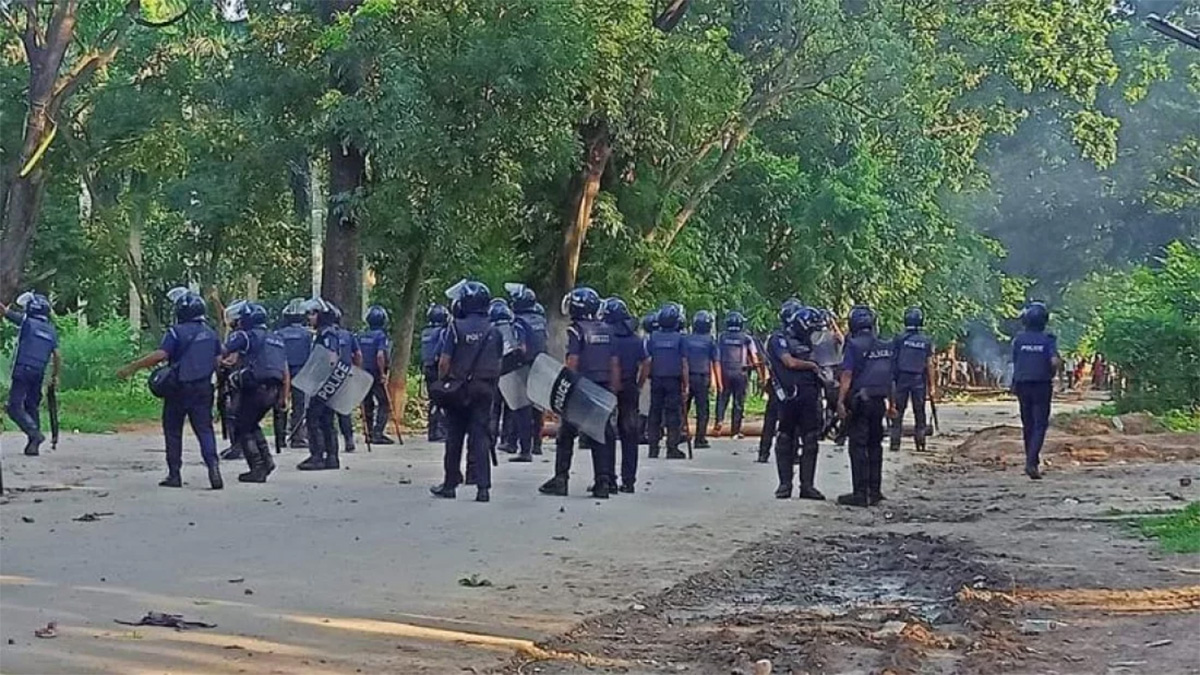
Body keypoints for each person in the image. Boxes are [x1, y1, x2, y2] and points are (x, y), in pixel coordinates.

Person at [118, 288, 223, 489]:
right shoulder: (210, 333)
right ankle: (213, 468)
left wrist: (133, 367)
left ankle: (174, 474)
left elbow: (161, 355)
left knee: (173, 430)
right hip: (203, 388)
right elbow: (218, 361)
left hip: (178, 389)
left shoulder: (175, 332)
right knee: (205, 430)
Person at [539, 286, 620, 497]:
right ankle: (603, 481)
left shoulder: (576, 330)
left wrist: (566, 388)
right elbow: (613, 362)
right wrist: (612, 388)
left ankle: (561, 479)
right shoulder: (607, 330)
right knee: (599, 435)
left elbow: (573, 361)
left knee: (566, 434)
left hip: (581, 388)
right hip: (601, 387)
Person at [431, 281, 503, 502]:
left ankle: (450, 484)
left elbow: (444, 362)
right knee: (480, 437)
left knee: (454, 437)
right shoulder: (494, 330)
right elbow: (500, 362)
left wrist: (444, 382)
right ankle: (483, 488)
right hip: (485, 389)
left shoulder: (455, 327)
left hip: (459, 389)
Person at [836, 305, 895, 507]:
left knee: (858, 446)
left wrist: (840, 401)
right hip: (879, 401)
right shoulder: (885, 345)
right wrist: (892, 404)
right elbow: (890, 378)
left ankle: (860, 494)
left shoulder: (853, 345)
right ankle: (875, 491)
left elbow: (847, 375)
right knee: (875, 445)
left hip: (861, 402)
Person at [222, 302, 287, 482]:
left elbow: (223, 350)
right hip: (274, 390)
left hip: (255, 388)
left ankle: (258, 467)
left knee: (242, 425)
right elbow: (285, 371)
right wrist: (283, 397)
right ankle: (266, 460)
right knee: (251, 424)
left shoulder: (246, 335)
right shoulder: (276, 338)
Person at [766, 305, 825, 499]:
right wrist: (812, 366)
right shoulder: (779, 339)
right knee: (785, 437)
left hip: (809, 396)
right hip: (788, 396)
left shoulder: (810, 343)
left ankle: (807, 485)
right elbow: (788, 362)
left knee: (810, 439)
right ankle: (785, 484)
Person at [3, 292, 61, 456]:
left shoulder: (27, 322)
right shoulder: (51, 331)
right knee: (31, 405)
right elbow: (57, 355)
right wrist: (55, 376)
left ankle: (34, 434)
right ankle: (32, 445)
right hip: (39, 373)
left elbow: (5, 312)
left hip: (22, 370)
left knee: (14, 407)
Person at [1011, 301, 1061, 480]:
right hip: (1041, 384)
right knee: (1040, 423)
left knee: (1028, 424)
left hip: (1022, 384)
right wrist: (1052, 374)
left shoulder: (1019, 340)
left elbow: (1015, 362)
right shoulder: (1048, 339)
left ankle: (1030, 459)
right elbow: (1054, 361)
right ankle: (1031, 462)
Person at [605, 297, 648, 492]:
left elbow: (612, 364)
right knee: (630, 435)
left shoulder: (607, 337)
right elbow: (647, 363)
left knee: (607, 434)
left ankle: (608, 480)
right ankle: (629, 481)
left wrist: (613, 387)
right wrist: (638, 384)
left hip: (608, 389)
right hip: (630, 388)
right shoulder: (636, 340)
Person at [297, 298, 342, 471]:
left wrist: (319, 377)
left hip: (323, 383)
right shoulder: (327, 332)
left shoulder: (327, 334)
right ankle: (331, 457)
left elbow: (331, 358)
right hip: (329, 384)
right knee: (327, 420)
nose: (310, 317)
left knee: (313, 419)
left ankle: (317, 456)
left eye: (313, 313)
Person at [758, 298, 802, 463]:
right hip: (780, 385)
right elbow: (787, 362)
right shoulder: (778, 338)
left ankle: (792, 452)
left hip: (793, 385)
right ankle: (764, 452)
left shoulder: (797, 338)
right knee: (772, 421)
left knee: (793, 422)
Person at [646, 302, 689, 460]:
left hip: (656, 380)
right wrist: (686, 385)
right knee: (673, 415)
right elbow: (684, 363)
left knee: (655, 413)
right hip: (673, 381)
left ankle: (653, 447)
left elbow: (648, 360)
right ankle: (672, 448)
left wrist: (645, 379)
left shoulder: (653, 337)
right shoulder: (680, 339)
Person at [509, 285, 547, 456]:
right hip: (541, 365)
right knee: (538, 406)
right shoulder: (540, 319)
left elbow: (521, 347)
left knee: (522, 408)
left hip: (524, 366)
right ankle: (537, 444)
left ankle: (525, 450)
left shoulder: (518, 321)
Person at [890, 306, 935, 453]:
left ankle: (895, 442)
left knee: (898, 411)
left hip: (901, 379)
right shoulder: (926, 341)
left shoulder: (898, 339)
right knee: (919, 411)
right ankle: (920, 441)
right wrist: (932, 386)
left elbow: (893, 360)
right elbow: (929, 364)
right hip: (918, 380)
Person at [487, 298, 526, 458]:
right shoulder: (515, 328)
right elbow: (522, 349)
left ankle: (490, 439)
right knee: (511, 409)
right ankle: (509, 442)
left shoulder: (490, 330)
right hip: (512, 373)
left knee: (493, 409)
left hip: (493, 374)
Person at [274, 298, 312, 450]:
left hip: (282, 373)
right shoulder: (308, 335)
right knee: (299, 405)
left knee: (281, 404)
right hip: (301, 373)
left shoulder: (279, 334)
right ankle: (297, 437)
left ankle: (280, 438)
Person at [714, 311, 758, 440]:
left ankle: (719, 421)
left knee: (722, 398)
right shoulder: (746, 338)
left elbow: (717, 355)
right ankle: (735, 431)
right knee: (738, 402)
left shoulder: (721, 337)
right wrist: (755, 366)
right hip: (741, 373)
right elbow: (754, 355)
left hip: (724, 372)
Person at [683, 310, 721, 449]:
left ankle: (681, 433)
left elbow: (683, 360)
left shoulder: (686, 339)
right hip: (702, 377)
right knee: (702, 410)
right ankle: (700, 439)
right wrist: (718, 382)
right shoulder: (710, 341)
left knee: (683, 408)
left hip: (687, 377)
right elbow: (716, 362)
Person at [359, 304, 395, 445]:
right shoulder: (381, 336)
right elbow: (380, 355)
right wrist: (382, 373)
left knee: (367, 403)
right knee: (384, 403)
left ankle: (368, 433)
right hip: (375, 373)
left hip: (364, 373)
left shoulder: (361, 335)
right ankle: (378, 433)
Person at [217, 300, 247, 460]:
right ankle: (236, 445)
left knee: (234, 411)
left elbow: (229, 355)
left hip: (238, 377)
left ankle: (238, 446)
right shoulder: (246, 332)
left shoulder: (239, 335)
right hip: (241, 377)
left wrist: (218, 359)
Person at [420, 304, 449, 443]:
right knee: (443, 399)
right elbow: (443, 352)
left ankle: (432, 430)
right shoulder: (443, 332)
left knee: (433, 400)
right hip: (438, 369)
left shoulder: (425, 332)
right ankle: (440, 431)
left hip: (427, 368)